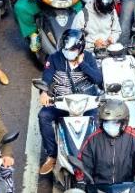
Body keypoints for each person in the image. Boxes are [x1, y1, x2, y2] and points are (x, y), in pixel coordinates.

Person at [37, 29, 103, 174]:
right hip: (62, 102)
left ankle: (99, 157)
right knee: (43, 116)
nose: (68, 51)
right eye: (66, 48)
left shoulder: (89, 58)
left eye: (73, 48)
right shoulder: (54, 58)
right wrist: (44, 92)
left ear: (80, 48)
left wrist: (83, 65)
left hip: (87, 103)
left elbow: (98, 80)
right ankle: (52, 155)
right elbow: (47, 77)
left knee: (101, 122)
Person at [77, 99, 135, 187]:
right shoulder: (93, 139)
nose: (110, 126)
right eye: (106, 122)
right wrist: (81, 181)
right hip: (99, 188)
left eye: (115, 122)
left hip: (129, 187)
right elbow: (83, 163)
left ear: (123, 123)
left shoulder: (134, 137)